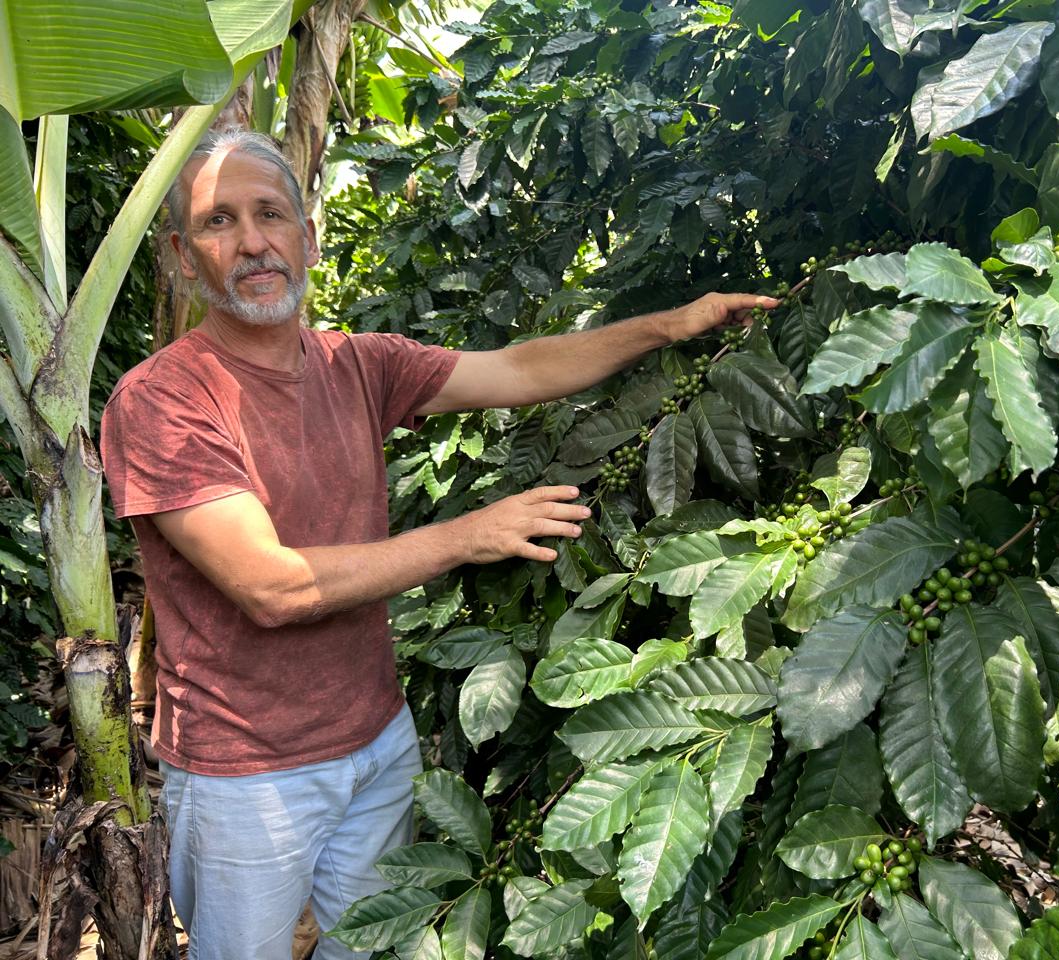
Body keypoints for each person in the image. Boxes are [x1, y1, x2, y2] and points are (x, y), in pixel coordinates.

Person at [98, 129, 777, 959]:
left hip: (375, 744)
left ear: (306, 234)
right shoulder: (162, 401)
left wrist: (671, 325)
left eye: (270, 214)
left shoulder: (361, 363)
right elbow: (270, 585)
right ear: (179, 254)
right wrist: (469, 536)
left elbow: (521, 369)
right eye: (218, 223)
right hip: (246, 772)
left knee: (369, 949)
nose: (251, 242)